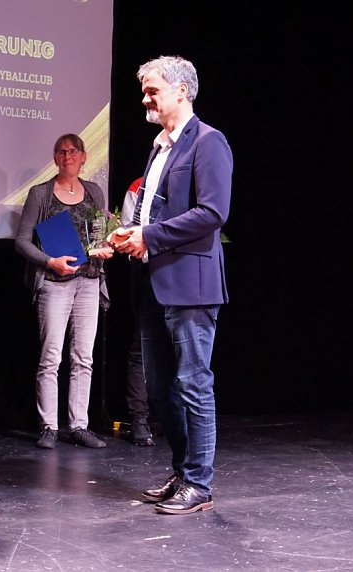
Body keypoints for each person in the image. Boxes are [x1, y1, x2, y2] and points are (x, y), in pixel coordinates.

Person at [110, 55, 232, 515]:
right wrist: (130, 235)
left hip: (191, 285)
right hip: (153, 282)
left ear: (182, 90)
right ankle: (183, 472)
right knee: (161, 387)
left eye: (152, 89)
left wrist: (149, 236)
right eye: (144, 90)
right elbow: (154, 213)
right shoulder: (160, 146)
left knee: (193, 382)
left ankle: (200, 483)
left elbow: (213, 212)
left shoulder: (208, 142)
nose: (145, 97)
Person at [14, 133, 114, 450]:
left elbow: (102, 235)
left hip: (89, 281)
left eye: (74, 151)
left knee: (84, 357)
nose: (68, 155)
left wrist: (107, 247)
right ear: (55, 158)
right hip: (54, 284)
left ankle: (79, 426)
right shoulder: (41, 193)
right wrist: (50, 261)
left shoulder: (95, 191)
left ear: (84, 157)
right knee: (50, 358)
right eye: (61, 151)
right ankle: (49, 427)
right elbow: (22, 242)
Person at [120, 177, 154, 447]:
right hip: (144, 270)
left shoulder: (188, 182)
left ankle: (174, 415)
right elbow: (127, 229)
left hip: (179, 272)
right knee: (141, 346)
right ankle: (139, 419)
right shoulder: (138, 186)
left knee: (179, 348)